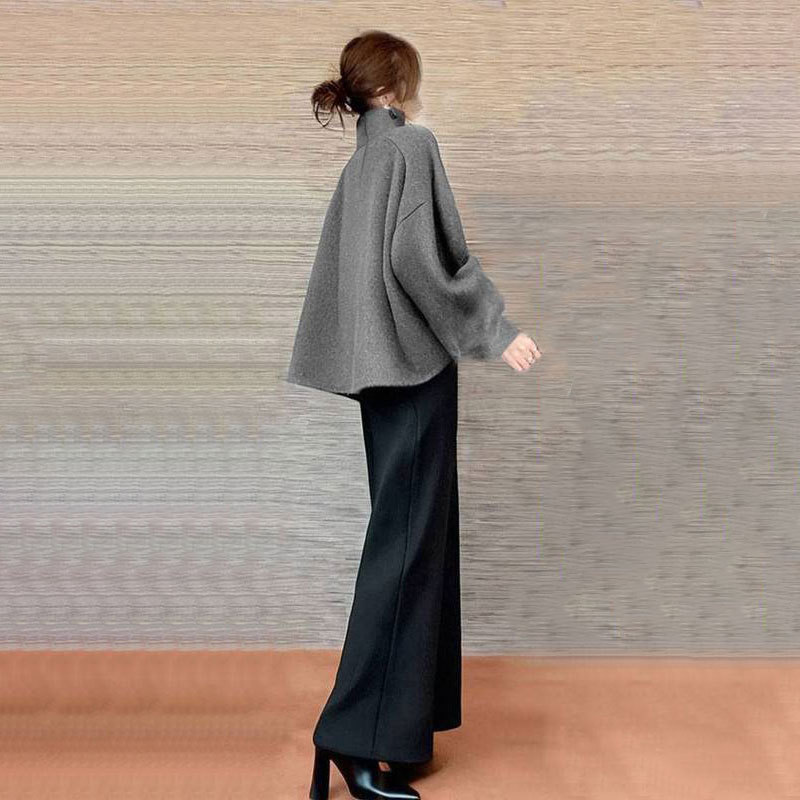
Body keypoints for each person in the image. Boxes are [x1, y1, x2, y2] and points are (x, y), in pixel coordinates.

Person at [286, 30, 541, 800]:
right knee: (407, 548)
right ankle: (352, 738)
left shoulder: (362, 162)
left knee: (411, 542)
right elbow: (423, 262)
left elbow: (356, 279)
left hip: (378, 377)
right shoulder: (410, 147)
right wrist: (494, 328)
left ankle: (396, 731)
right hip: (416, 372)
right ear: (397, 84)